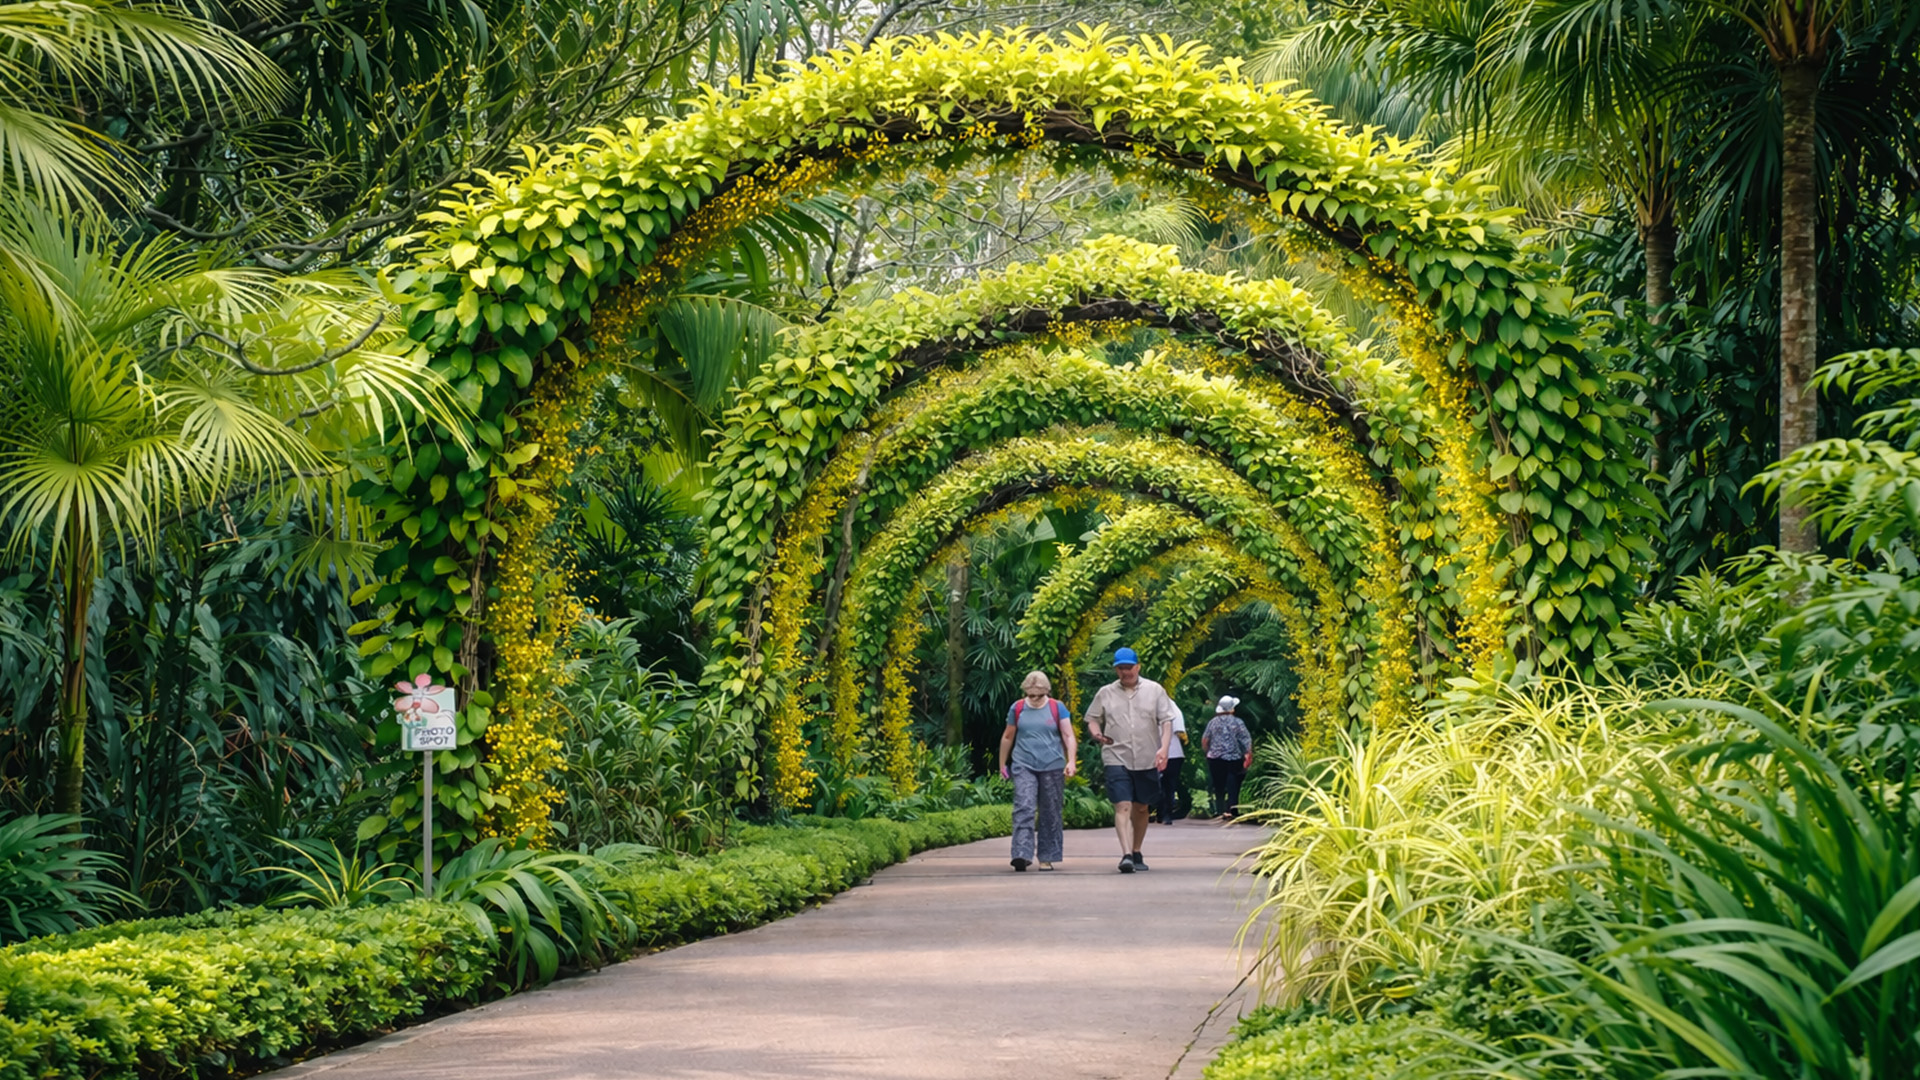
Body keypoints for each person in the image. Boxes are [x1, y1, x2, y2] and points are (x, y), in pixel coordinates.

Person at [1083, 647, 1175, 873]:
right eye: (1121, 668)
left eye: (1129, 667)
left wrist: (1164, 748)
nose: (1126, 672)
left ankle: (1136, 850)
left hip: (1147, 757)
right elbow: (1092, 719)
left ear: (1138, 667)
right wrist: (1096, 734)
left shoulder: (1155, 690)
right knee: (1122, 805)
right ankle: (1125, 855)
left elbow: (1166, 721)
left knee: (1141, 808)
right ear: (1116, 670)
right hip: (1115, 755)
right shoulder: (1105, 692)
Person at [998, 671, 1077, 871]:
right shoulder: (1017, 708)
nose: (1034, 699)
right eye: (1031, 695)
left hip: (1053, 765)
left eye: (1039, 695)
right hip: (1023, 763)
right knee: (1024, 806)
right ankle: (1021, 854)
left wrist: (1071, 761)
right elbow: (1008, 736)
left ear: (1046, 692)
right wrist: (1002, 764)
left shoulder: (1057, 707)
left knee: (1050, 811)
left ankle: (1047, 857)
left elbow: (1068, 735)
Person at [1201, 696, 1253, 821]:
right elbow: (1245, 739)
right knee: (1233, 784)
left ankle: (1219, 810)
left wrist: (1208, 752)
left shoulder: (1213, 722)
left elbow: (1205, 740)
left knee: (1218, 785)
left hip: (1215, 759)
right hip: (1233, 758)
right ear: (1232, 709)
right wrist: (1248, 754)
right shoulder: (1238, 722)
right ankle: (1232, 810)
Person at [1155, 701, 1188, 824]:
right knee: (1170, 785)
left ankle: (1161, 813)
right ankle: (1166, 814)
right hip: (1175, 754)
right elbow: (1180, 731)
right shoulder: (1173, 709)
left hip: (1156, 753)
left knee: (1159, 784)